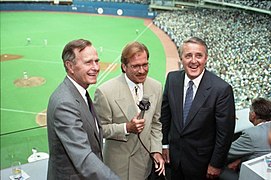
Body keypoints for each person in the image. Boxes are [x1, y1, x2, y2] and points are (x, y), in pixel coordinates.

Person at [161, 37, 236, 180]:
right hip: (174, 160)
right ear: (181, 58)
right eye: (188, 55)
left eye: (199, 56)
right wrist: (165, 144)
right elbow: (166, 115)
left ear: (206, 58)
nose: (193, 61)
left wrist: (216, 164)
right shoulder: (172, 79)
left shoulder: (221, 89)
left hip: (203, 165)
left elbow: (224, 134)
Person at [46, 39, 120, 180]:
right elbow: (84, 157)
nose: (96, 67)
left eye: (96, 61)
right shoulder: (65, 103)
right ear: (70, 66)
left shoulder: (80, 91)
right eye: (88, 62)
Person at [93, 41, 165, 179]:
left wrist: (156, 151)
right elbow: (100, 129)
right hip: (118, 168)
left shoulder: (156, 87)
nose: (142, 70)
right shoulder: (105, 92)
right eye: (136, 66)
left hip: (144, 167)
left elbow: (156, 123)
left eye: (145, 65)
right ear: (124, 67)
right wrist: (126, 128)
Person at [226, 97, 271, 172]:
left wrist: (225, 123)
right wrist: (240, 159)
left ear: (253, 115)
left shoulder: (251, 134)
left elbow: (225, 153)